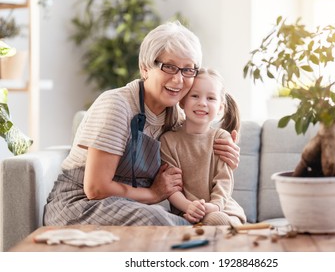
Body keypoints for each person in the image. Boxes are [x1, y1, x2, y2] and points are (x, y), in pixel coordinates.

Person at [43, 21, 240, 226]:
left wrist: (225, 154)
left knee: (215, 220)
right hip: (81, 205)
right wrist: (154, 193)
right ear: (145, 68)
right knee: (166, 224)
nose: (178, 80)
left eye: (188, 70)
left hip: (129, 205)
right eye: (169, 67)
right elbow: (95, 189)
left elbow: (197, 151)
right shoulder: (117, 106)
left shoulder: (174, 116)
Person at [160, 68, 247, 226]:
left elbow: (224, 180)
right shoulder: (168, 141)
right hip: (187, 211)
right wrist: (189, 207)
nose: (202, 103)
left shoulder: (221, 138)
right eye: (194, 96)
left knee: (220, 221)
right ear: (182, 101)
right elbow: (172, 187)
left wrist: (214, 206)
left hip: (223, 208)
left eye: (211, 98)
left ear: (220, 107)